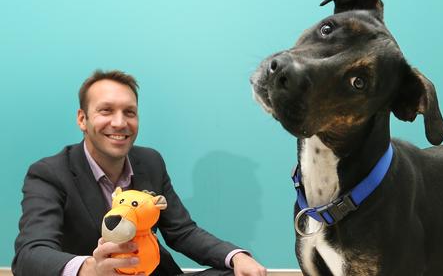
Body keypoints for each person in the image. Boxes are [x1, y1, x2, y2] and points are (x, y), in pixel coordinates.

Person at [12, 70, 267, 276]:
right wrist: (88, 268)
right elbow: (29, 254)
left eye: (129, 112)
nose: (120, 123)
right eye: (106, 110)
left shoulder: (150, 161)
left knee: (238, 273)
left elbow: (183, 232)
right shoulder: (49, 173)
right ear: (82, 119)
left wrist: (236, 256)